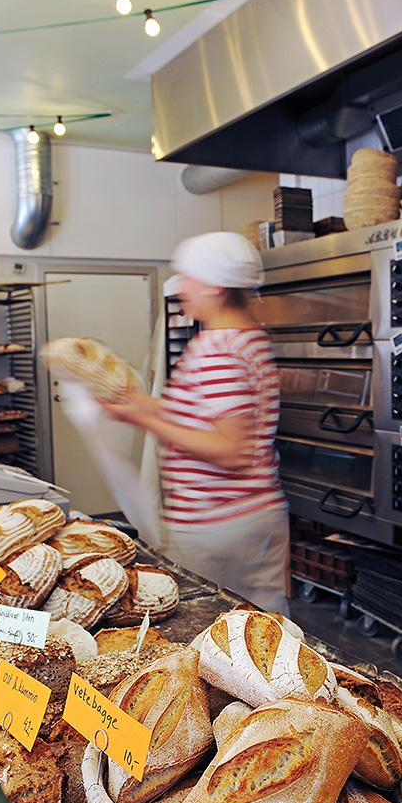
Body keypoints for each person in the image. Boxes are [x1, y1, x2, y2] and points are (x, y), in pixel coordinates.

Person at [101, 231, 290, 614]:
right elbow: (207, 415)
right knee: (268, 625)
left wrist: (148, 422)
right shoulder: (249, 338)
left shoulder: (215, 350)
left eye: (188, 279)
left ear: (216, 287)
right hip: (255, 512)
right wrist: (140, 406)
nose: (182, 289)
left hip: (216, 523)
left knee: (210, 629)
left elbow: (231, 450)